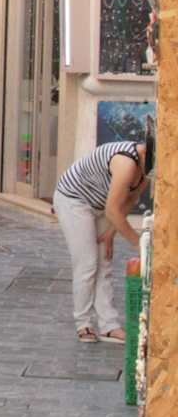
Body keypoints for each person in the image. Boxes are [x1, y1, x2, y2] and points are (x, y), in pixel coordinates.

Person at [52, 132, 153, 344]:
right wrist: (138, 244)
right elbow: (113, 210)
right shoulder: (126, 162)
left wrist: (111, 233)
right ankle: (83, 323)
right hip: (73, 200)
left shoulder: (145, 171)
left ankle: (109, 326)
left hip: (101, 205)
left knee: (104, 262)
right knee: (87, 263)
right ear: (146, 154)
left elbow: (129, 201)